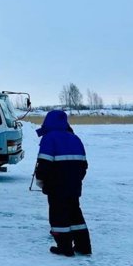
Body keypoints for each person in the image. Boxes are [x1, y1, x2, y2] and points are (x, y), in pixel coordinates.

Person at [34, 109, 92, 257]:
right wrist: (76, 180)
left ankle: (65, 248)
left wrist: (41, 181)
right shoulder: (75, 138)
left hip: (56, 186)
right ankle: (83, 247)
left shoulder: (49, 138)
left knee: (58, 215)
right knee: (75, 214)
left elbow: (44, 164)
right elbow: (84, 165)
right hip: (74, 186)